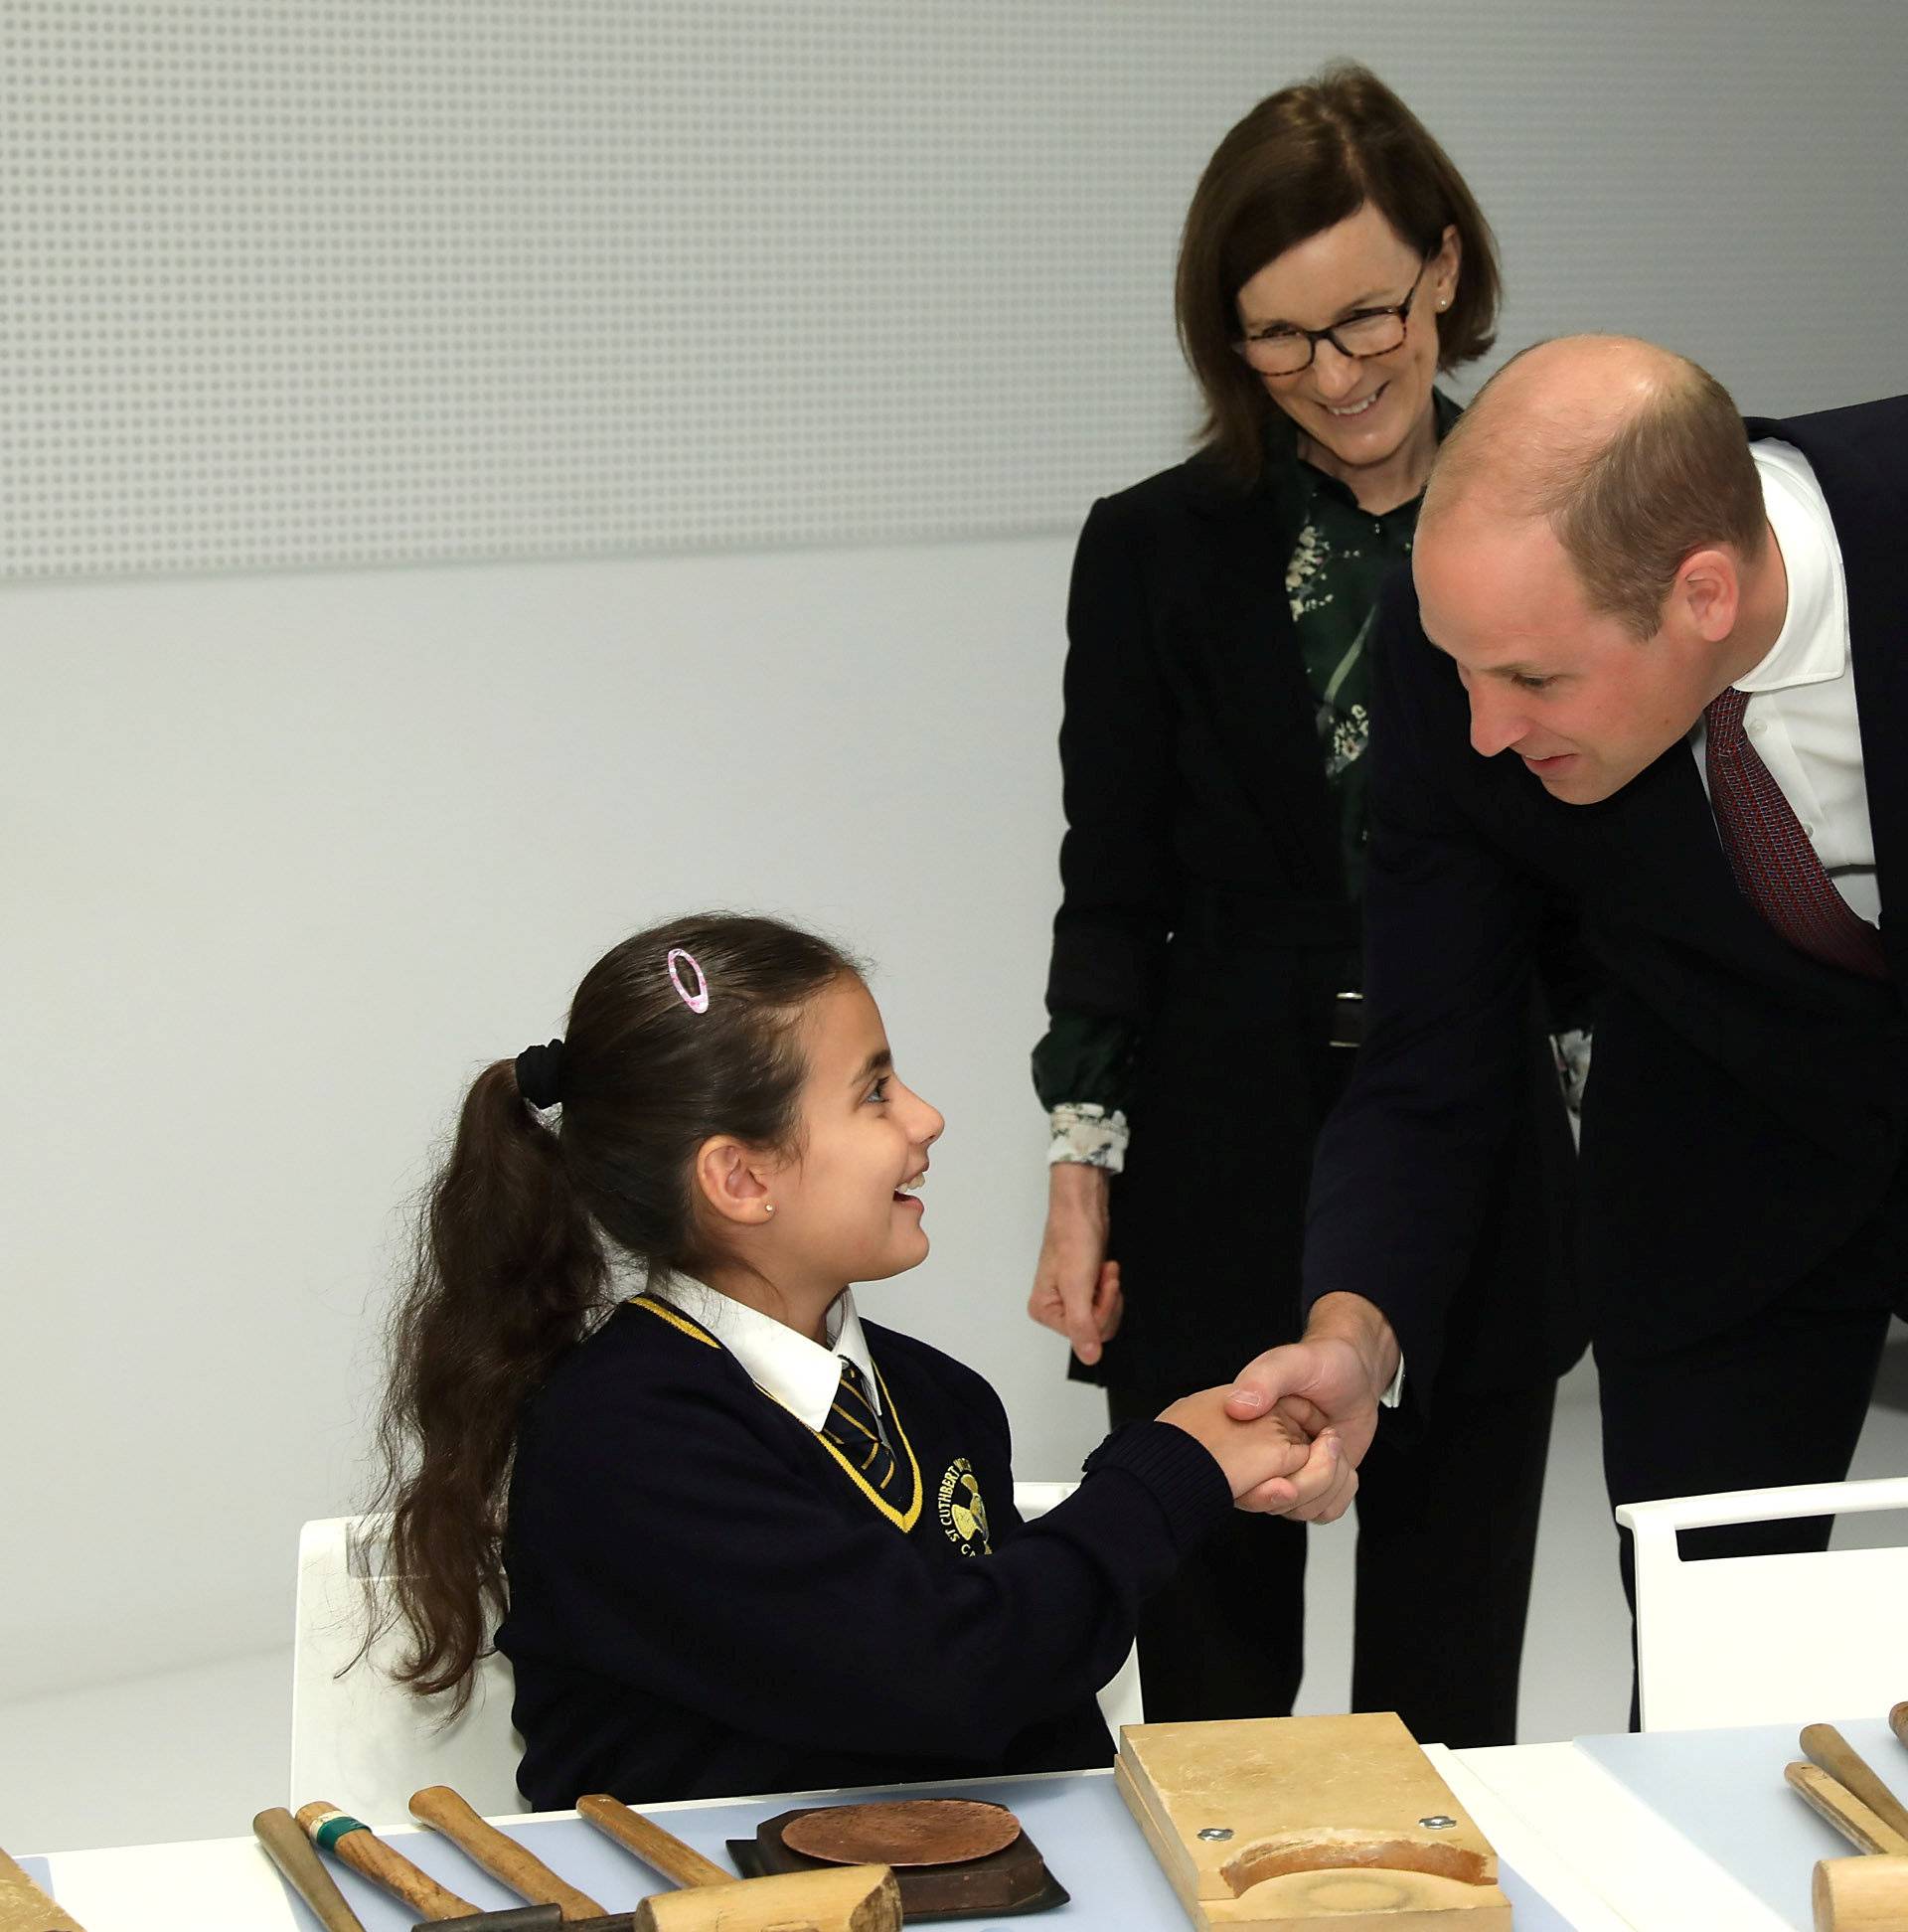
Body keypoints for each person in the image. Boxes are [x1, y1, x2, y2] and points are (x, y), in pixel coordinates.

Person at [1224, 337, 1908, 1715]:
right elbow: (1433, 1049)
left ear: (1703, 594)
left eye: (1532, 682)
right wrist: (1353, 1331)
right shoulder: (1468, 663)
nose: (1482, 729)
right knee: (1722, 1707)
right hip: (1725, 1188)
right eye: (1467, 672)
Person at [1027, 63, 1583, 1745]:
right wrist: (1082, 1174)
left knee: (1447, 1691)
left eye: (1368, 319)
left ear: (1443, 269)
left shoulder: (1564, 523)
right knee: (1209, 1692)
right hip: (1216, 1145)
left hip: (1474, 1141)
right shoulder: (1152, 548)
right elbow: (1109, 881)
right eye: (1279, 338)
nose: (1335, 376)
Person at [367, 912, 1337, 1808]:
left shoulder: (943, 1402)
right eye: (875, 1092)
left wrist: (1212, 1472)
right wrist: (1173, 1468)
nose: (925, 1118)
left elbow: (1034, 1717)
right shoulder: (623, 1437)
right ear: (741, 1178)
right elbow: (947, 1675)